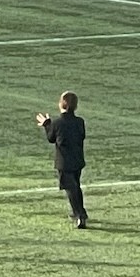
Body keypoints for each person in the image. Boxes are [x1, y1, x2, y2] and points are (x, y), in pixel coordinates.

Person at [36, 91, 88, 229]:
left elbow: (51, 138)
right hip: (77, 160)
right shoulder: (80, 122)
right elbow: (81, 136)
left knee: (71, 189)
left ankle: (79, 215)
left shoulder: (57, 123)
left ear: (61, 104)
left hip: (64, 162)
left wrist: (47, 124)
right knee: (76, 186)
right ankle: (80, 211)